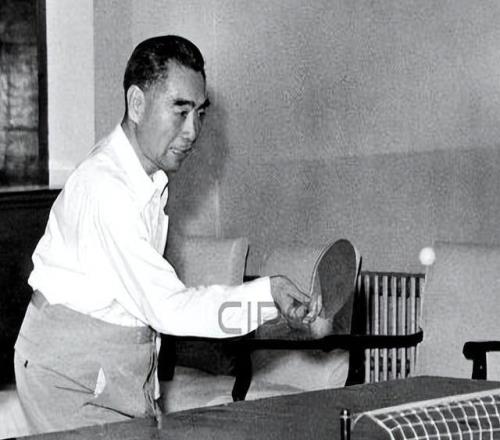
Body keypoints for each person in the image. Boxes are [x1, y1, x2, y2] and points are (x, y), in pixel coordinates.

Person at [13, 35, 323, 434]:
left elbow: (144, 311)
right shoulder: (106, 189)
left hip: (112, 368)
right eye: (180, 111)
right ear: (137, 104)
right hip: (69, 378)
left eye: (199, 113)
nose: (193, 131)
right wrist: (268, 294)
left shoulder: (145, 177)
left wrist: (270, 303)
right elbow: (169, 308)